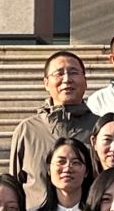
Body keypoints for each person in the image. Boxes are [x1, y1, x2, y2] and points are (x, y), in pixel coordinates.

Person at [10, 50, 99, 198]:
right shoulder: (27, 130)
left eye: (73, 72)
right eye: (59, 73)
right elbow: (14, 185)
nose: (67, 79)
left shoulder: (100, 128)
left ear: (85, 81)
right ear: (46, 83)